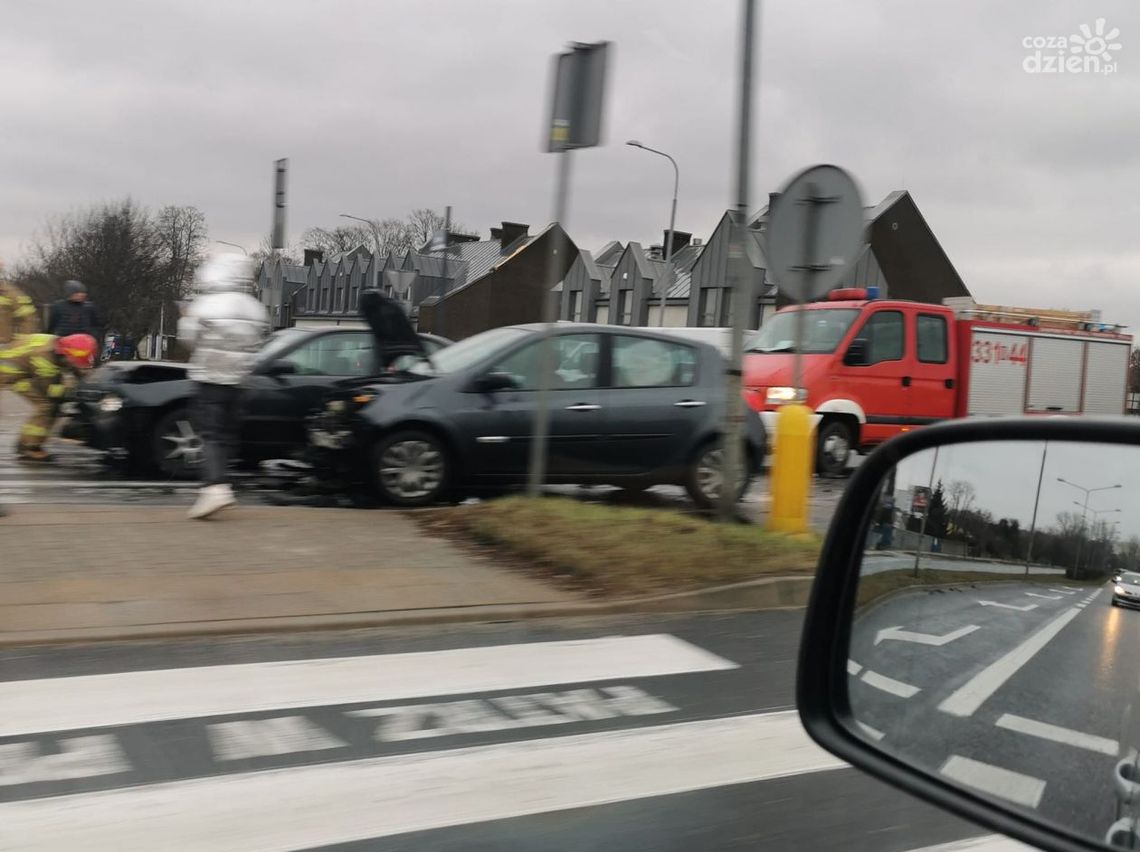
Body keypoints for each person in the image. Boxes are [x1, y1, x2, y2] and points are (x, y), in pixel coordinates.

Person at [177, 253, 270, 520]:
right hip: (240, 382)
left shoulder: (207, 305)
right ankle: (220, 484)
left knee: (210, 434)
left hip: (210, 379)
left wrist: (185, 318)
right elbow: (259, 345)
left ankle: (215, 488)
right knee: (227, 435)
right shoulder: (255, 307)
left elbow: (189, 339)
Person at [0, 333, 98, 462]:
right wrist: (71, 394)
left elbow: (73, 365)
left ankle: (29, 444)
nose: (77, 363)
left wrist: (90, 381)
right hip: (10, 373)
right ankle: (29, 447)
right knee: (46, 406)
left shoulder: (58, 345)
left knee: (53, 406)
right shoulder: (45, 360)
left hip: (19, 364)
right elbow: (50, 391)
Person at [47, 280, 104, 355]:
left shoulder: (89, 307)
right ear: (70, 293)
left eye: (83, 293)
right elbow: (52, 325)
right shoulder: (59, 307)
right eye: (78, 293)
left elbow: (97, 325)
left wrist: (93, 338)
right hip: (65, 343)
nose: (82, 295)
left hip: (84, 343)